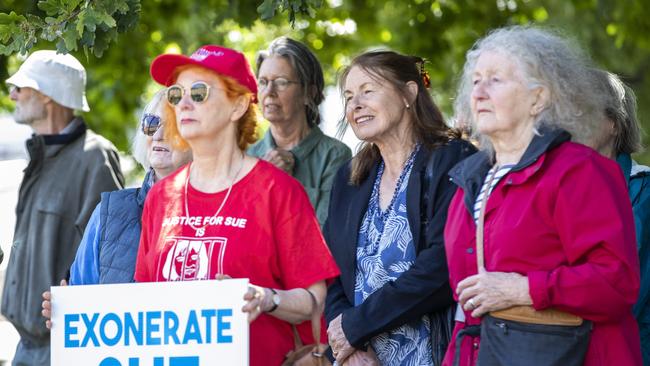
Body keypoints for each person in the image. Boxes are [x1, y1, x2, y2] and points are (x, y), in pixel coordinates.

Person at [443, 26, 641, 366]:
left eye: (496, 79)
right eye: (475, 80)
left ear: (539, 98)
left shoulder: (579, 171)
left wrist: (525, 290)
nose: (479, 92)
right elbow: (470, 308)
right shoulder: (470, 178)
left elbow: (617, 283)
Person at [134, 45, 340, 366]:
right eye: (176, 94)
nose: (183, 104)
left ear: (239, 105)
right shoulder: (161, 197)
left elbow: (315, 301)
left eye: (199, 92)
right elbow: (142, 304)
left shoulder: (278, 190)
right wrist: (73, 312)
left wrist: (266, 298)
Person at [324, 50, 476, 366]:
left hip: (433, 354)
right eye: (349, 96)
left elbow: (442, 266)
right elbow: (333, 271)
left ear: (409, 93)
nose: (355, 104)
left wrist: (355, 327)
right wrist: (349, 346)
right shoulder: (350, 177)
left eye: (368, 91)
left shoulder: (453, 159)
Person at [1, 50, 124, 365]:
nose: (12, 93)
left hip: (65, 346)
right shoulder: (39, 156)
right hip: (25, 346)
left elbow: (110, 255)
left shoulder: (94, 157)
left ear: (46, 96)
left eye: (21, 87)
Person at [248, 37, 351, 226]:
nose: (269, 91)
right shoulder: (246, 157)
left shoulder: (335, 156)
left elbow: (325, 236)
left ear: (308, 93)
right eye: (263, 82)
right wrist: (264, 181)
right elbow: (239, 232)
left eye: (281, 82)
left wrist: (284, 185)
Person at [588, 69, 650, 365]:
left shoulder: (645, 190)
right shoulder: (553, 189)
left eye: (584, 108)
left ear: (614, 122)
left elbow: (632, 292)